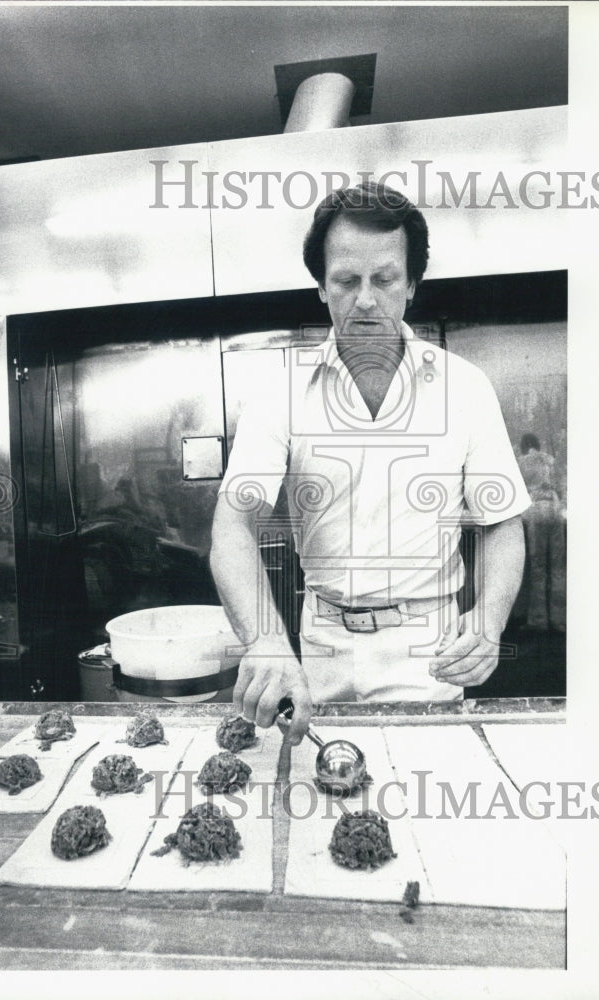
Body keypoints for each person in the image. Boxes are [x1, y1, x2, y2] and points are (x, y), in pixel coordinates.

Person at [210, 181, 531, 743]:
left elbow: (502, 524)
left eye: (383, 279)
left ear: (411, 284)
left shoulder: (464, 386)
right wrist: (263, 639)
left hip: (428, 650)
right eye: (345, 281)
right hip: (320, 645)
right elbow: (233, 525)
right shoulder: (280, 391)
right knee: (324, 805)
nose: (364, 299)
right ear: (321, 287)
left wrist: (487, 620)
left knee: (422, 809)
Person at [517, 433, 566, 631]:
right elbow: (562, 488)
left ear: (524, 446)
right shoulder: (550, 460)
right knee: (558, 567)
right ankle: (560, 620)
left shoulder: (522, 462)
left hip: (535, 507)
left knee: (538, 568)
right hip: (555, 509)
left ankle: (539, 620)